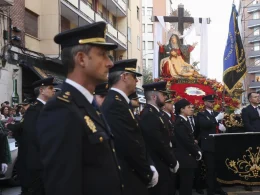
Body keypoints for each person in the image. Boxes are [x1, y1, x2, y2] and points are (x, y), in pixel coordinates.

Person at [36, 22, 123, 195]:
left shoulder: (88, 105)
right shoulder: (61, 109)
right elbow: (63, 186)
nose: (110, 63)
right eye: (103, 55)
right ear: (81, 59)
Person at [102, 59, 158, 195]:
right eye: (134, 76)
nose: (137, 81)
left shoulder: (120, 102)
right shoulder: (114, 104)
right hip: (129, 176)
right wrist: (147, 172)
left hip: (133, 173)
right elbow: (128, 143)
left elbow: (137, 139)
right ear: (124, 77)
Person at [17, 77, 56, 195]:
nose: (54, 90)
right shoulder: (35, 110)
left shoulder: (45, 108)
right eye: (50, 88)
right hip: (37, 168)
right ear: (41, 90)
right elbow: (32, 139)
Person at [140, 81, 179, 195]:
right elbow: (158, 143)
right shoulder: (149, 114)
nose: (165, 97)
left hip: (164, 163)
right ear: (153, 96)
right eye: (163, 94)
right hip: (159, 164)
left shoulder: (156, 113)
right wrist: (172, 162)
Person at [197, 95, 227, 195]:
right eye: (209, 102)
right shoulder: (201, 114)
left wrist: (223, 128)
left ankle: (217, 188)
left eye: (212, 102)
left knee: (217, 168)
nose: (212, 103)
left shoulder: (216, 113)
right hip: (208, 144)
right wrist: (215, 119)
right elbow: (204, 125)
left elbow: (220, 126)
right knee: (210, 169)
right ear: (205, 103)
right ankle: (210, 190)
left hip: (217, 143)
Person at [174, 99, 202, 195]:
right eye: (188, 107)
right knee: (185, 185)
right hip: (185, 158)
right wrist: (196, 152)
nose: (191, 109)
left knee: (188, 184)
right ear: (182, 109)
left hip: (188, 157)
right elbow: (187, 142)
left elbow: (192, 139)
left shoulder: (184, 121)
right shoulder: (180, 123)